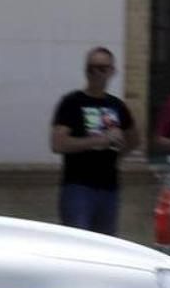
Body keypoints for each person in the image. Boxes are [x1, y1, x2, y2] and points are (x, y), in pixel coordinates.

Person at [50, 47, 140, 236]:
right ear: (86, 70)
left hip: (109, 187)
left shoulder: (117, 105)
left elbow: (134, 139)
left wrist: (118, 152)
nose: (97, 73)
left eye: (103, 68)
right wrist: (97, 141)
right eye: (92, 68)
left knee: (106, 245)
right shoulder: (72, 102)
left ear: (112, 71)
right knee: (78, 243)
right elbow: (58, 143)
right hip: (78, 186)